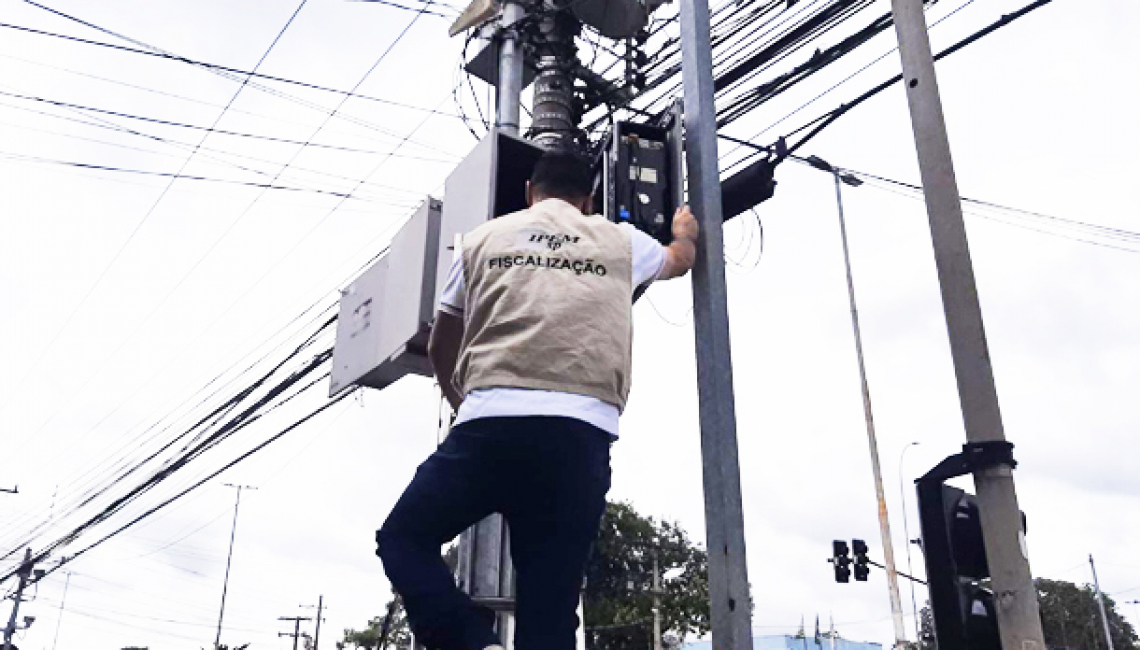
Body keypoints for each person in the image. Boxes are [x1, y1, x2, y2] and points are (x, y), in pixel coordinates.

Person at [376, 151, 699, 650]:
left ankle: (469, 641)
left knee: (403, 538)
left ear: (530, 191)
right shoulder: (621, 241)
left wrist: (461, 400)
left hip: (489, 426)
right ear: (588, 200)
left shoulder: (481, 241)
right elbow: (679, 262)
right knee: (550, 607)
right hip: (578, 437)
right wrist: (683, 231)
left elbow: (443, 340)